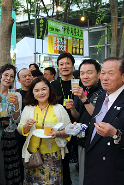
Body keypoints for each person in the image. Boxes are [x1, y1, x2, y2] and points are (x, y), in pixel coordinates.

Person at [84, 57, 124, 185]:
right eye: (103, 73)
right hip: (94, 165)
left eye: (111, 73)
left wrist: (116, 133)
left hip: (115, 171)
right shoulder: (102, 96)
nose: (105, 77)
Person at [17, 77, 71, 184]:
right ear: (32, 92)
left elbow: (69, 130)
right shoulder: (28, 108)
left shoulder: (59, 108)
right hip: (33, 155)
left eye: (44, 89)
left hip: (53, 155)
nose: (40, 93)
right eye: (36, 90)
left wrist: (58, 133)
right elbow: (20, 129)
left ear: (49, 90)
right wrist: (27, 125)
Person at [64, 59, 103, 185]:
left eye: (89, 72)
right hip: (83, 141)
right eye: (82, 73)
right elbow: (78, 116)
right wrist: (72, 109)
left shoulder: (104, 92)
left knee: (98, 176)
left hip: (99, 142)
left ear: (98, 73)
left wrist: (83, 98)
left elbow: (98, 117)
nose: (85, 76)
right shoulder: (82, 90)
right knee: (83, 177)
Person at [51, 52, 77, 185]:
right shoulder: (54, 85)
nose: (64, 66)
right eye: (61, 64)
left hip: (78, 126)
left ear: (73, 65)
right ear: (58, 67)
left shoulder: (79, 83)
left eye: (67, 63)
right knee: (63, 160)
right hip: (60, 128)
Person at [0, 64, 22, 184]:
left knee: (10, 170)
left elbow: (17, 120)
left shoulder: (17, 95)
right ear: (0, 76)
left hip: (10, 136)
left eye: (11, 76)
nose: (8, 78)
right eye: (6, 75)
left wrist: (16, 105)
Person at [15, 68, 33, 182]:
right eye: (24, 76)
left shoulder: (37, 92)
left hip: (35, 131)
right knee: (22, 160)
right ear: (18, 80)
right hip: (21, 133)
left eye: (29, 75)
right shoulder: (16, 94)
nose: (27, 78)